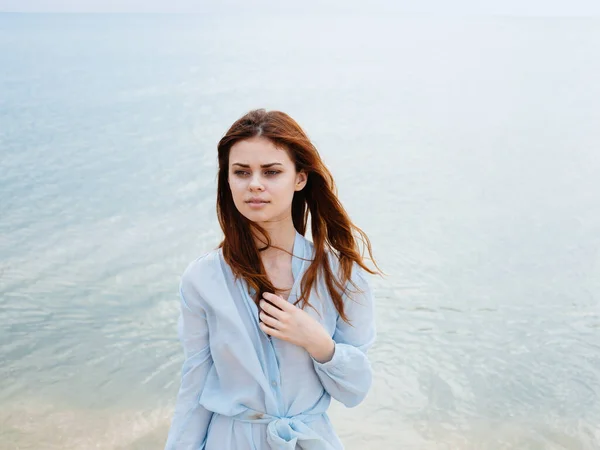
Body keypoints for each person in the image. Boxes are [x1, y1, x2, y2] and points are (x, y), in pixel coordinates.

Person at [164, 109, 380, 450]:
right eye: (241, 172)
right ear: (228, 180)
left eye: (271, 171)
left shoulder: (341, 275)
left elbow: (354, 390)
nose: (255, 184)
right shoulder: (202, 279)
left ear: (300, 178)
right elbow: (195, 383)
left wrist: (319, 344)